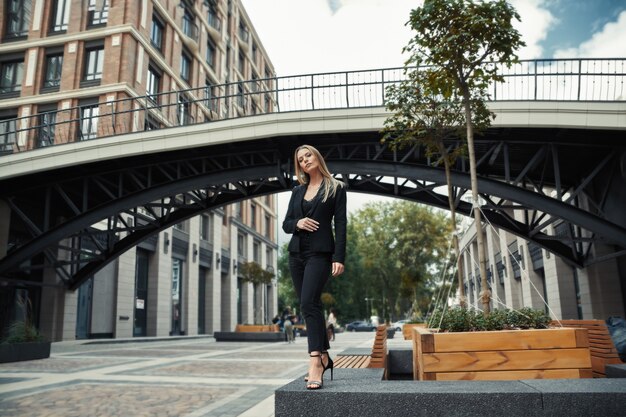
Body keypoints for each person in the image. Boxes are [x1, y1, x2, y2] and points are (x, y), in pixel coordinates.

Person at [282, 144, 347, 390]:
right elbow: (286, 224)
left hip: (320, 254)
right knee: (311, 305)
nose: (305, 160)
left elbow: (341, 224)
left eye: (308, 155)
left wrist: (339, 257)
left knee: (308, 302)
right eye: (300, 159)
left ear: (317, 157)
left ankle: (314, 363)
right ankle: (324, 356)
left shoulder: (336, 188)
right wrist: (298, 222)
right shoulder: (297, 191)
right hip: (296, 254)